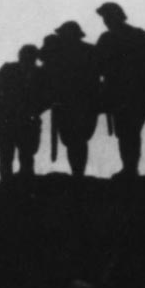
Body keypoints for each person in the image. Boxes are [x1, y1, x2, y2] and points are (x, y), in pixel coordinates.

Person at [93, 2, 145, 179]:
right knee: (126, 131)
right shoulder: (115, 38)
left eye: (108, 17)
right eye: (104, 18)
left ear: (117, 17)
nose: (106, 21)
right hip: (122, 92)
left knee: (128, 131)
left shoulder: (132, 37)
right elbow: (96, 64)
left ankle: (130, 168)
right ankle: (129, 168)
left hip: (134, 91)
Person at [39, 19, 100, 177]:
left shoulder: (59, 52)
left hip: (75, 102)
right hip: (81, 103)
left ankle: (77, 173)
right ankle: (78, 173)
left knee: (74, 140)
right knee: (76, 140)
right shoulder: (88, 50)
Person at [0, 44, 44, 185]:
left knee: (22, 155)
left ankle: (18, 183)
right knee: (9, 155)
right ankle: (10, 183)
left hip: (19, 120)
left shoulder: (35, 73)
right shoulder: (12, 70)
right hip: (10, 119)